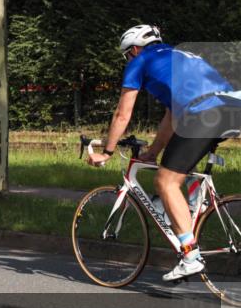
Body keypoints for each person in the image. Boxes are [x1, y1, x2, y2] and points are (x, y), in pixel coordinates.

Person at [86, 25, 241, 281]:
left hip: (204, 115)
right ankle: (192, 206)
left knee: (166, 182)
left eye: (127, 55)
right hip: (231, 106)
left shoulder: (141, 60)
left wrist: (108, 152)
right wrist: (153, 152)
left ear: (133, 49)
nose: (128, 60)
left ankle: (190, 255)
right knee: (179, 169)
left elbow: (123, 114)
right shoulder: (178, 56)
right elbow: (171, 117)